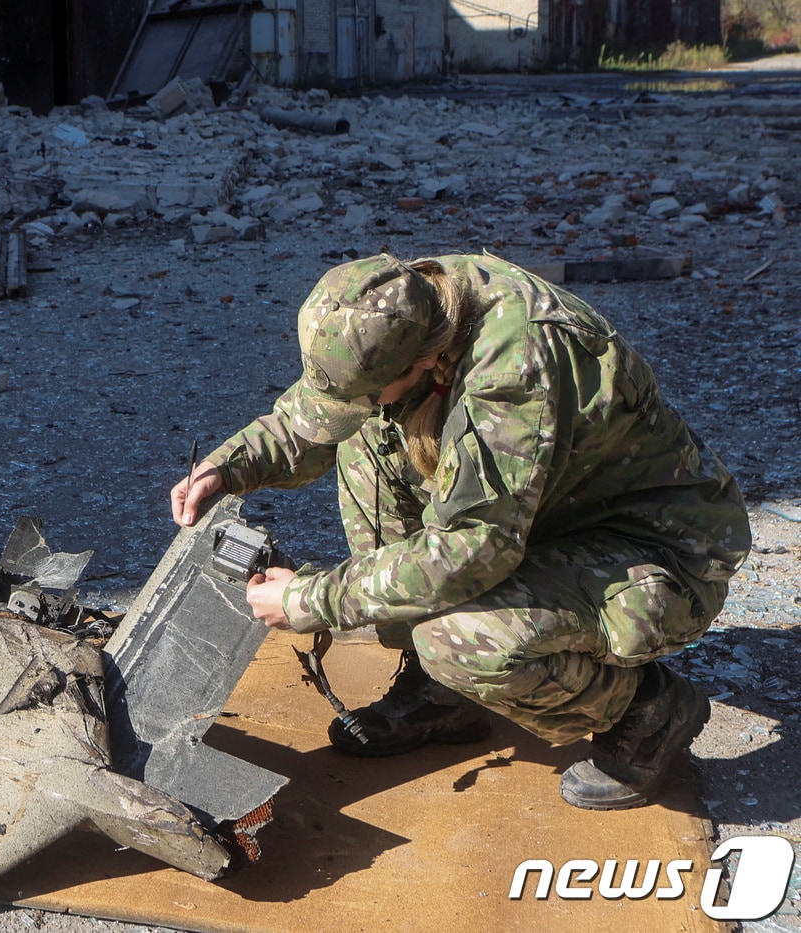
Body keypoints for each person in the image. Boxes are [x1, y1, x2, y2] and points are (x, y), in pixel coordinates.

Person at [170, 253, 750, 810]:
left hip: (657, 555)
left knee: (458, 638)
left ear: (423, 362)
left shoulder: (514, 367)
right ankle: (440, 692)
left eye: (376, 387)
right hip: (547, 520)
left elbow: (473, 549)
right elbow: (320, 412)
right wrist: (229, 466)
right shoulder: (406, 305)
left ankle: (645, 713)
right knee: (368, 438)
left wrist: (310, 599)